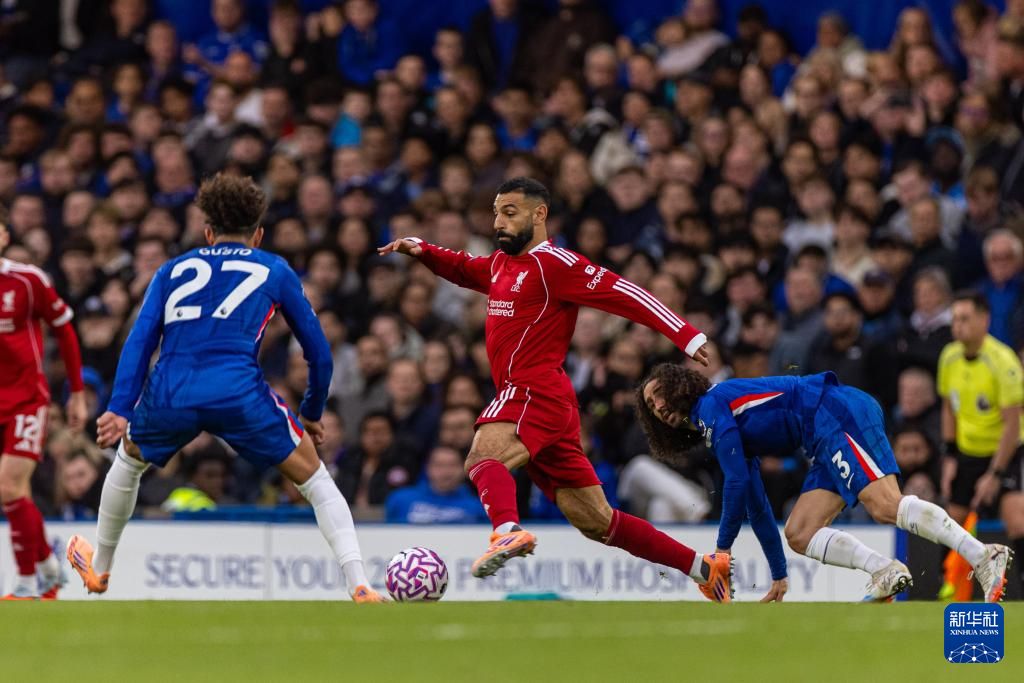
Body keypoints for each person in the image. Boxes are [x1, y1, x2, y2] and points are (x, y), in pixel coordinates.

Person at [378, 176, 733, 601]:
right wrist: (422, 249)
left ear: (539, 214)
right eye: (496, 213)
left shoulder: (555, 264)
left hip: (534, 389)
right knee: (598, 522)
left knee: (481, 457)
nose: (498, 223)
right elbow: (463, 267)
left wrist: (685, 334)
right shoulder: (501, 264)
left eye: (509, 213)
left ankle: (506, 531)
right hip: (547, 403)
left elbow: (624, 292)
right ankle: (704, 568)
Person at [64, 174, 384, 603]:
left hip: (172, 390)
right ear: (258, 234)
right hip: (238, 391)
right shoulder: (274, 268)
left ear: (208, 232)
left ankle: (100, 569)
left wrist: (120, 407)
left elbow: (139, 341)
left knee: (129, 459)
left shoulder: (170, 270)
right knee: (316, 481)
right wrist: (310, 412)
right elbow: (319, 354)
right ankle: (358, 582)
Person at [637, 362, 1013, 603]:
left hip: (833, 412)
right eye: (651, 407)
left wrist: (721, 551)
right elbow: (756, 504)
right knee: (800, 532)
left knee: (885, 505)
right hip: (821, 434)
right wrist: (779, 575)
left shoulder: (711, 407)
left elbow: (735, 481)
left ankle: (983, 555)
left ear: (679, 386)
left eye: (659, 396)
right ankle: (885, 570)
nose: (659, 408)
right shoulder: (717, 424)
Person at [0, 221, 87, 599]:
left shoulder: (27, 281)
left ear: (4, 236)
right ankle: (49, 569)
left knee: (7, 486)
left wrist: (77, 393)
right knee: (17, 493)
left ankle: (24, 584)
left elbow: (64, 330)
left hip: (26, 400)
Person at [936, 290, 1024, 600]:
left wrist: (995, 474)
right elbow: (948, 408)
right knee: (950, 522)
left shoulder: (1003, 361)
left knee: (1017, 519)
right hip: (966, 452)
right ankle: (943, 586)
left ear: (984, 320)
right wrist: (950, 456)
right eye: (954, 319)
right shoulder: (949, 357)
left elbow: (1013, 424)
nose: (958, 326)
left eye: (965, 319)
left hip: (1005, 451)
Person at [385, 446, 487, 523]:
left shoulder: (479, 507)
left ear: (464, 469)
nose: (446, 472)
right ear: (427, 468)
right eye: (439, 465)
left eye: (453, 465)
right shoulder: (400, 499)